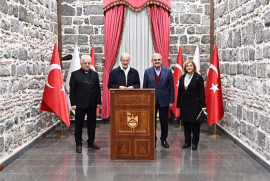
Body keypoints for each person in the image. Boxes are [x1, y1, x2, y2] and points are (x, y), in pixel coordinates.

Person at [70, 55, 101, 153]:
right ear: (81, 63)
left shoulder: (95, 74)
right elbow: (72, 90)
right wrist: (73, 103)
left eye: (89, 63)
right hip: (80, 104)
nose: (87, 65)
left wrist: (98, 102)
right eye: (85, 63)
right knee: (78, 125)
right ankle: (78, 143)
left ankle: (91, 141)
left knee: (92, 124)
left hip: (92, 104)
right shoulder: (75, 74)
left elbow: (97, 90)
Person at [143, 53, 174, 148]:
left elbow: (172, 87)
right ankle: (153, 140)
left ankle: (163, 140)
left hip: (164, 100)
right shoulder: (147, 71)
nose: (157, 61)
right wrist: (145, 101)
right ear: (152, 61)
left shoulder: (168, 71)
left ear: (162, 60)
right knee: (151, 122)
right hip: (151, 101)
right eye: (155, 60)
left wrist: (171, 101)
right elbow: (144, 87)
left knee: (164, 122)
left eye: (158, 60)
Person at [177, 60, 206, 151]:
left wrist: (203, 105)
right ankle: (187, 142)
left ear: (194, 67)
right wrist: (178, 104)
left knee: (195, 125)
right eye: (187, 66)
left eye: (191, 66)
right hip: (185, 104)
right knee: (186, 124)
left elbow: (202, 92)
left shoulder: (198, 77)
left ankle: (194, 143)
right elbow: (180, 92)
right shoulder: (182, 77)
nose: (189, 67)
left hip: (195, 104)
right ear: (185, 68)